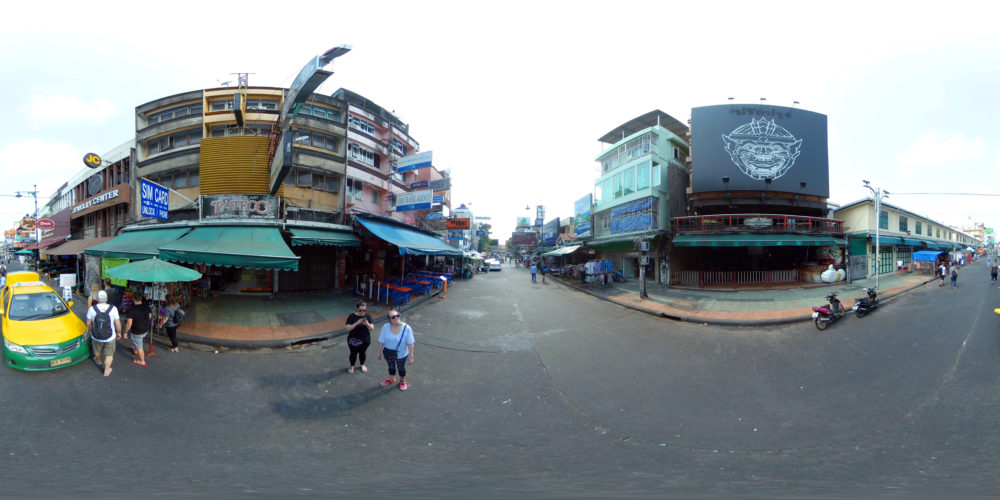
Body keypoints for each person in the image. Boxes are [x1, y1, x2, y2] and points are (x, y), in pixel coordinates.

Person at [376, 309, 415, 391]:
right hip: (388, 352)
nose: (396, 318)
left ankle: (402, 381)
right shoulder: (386, 327)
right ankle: (392, 378)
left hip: (401, 354)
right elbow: (382, 340)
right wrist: (378, 352)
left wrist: (411, 356)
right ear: (389, 319)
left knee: (401, 368)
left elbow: (410, 343)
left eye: (397, 316)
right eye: (393, 317)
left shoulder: (407, 328)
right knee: (391, 366)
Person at [86, 290, 121, 377]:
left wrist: (91, 331)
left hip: (96, 335)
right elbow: (117, 323)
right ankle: (106, 370)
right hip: (110, 336)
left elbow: (88, 323)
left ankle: (98, 360)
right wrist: (119, 332)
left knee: (97, 350)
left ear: (97, 299)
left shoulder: (92, 309)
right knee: (109, 354)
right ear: (106, 299)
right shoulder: (113, 309)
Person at [345, 300, 374, 374]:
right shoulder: (352, 316)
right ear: (357, 308)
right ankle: (352, 365)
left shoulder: (368, 316)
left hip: (365, 340)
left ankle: (362, 364)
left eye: (364, 310)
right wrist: (356, 323)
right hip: (353, 340)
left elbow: (372, 328)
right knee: (353, 353)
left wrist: (367, 323)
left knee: (362, 353)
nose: (362, 312)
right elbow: (348, 328)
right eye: (360, 310)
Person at [124, 292, 152, 366]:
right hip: (145, 329)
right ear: (141, 298)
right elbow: (150, 316)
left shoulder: (131, 309)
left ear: (133, 299)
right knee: (138, 341)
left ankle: (142, 361)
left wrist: (125, 332)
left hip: (137, 331)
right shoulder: (146, 306)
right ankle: (135, 349)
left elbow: (129, 323)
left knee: (139, 346)